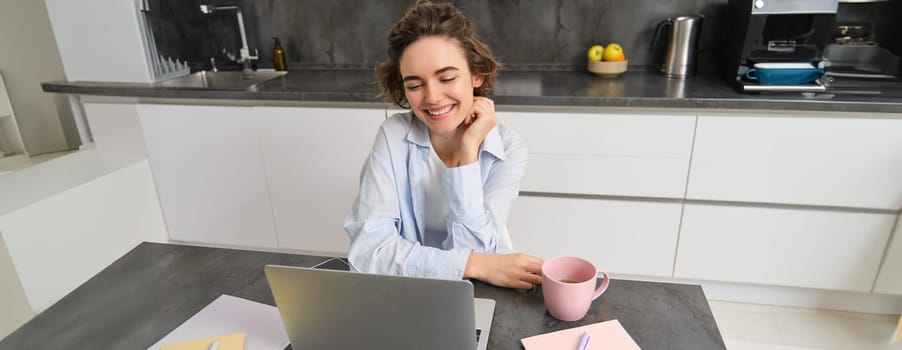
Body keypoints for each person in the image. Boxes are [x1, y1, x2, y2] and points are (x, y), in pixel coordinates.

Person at [344, 0, 543, 289]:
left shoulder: (508, 147)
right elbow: (369, 253)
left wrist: (468, 152)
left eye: (447, 78)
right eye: (414, 85)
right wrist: (470, 264)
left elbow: (478, 251)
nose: (433, 97)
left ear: (476, 76)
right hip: (411, 289)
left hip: (480, 289)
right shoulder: (393, 135)